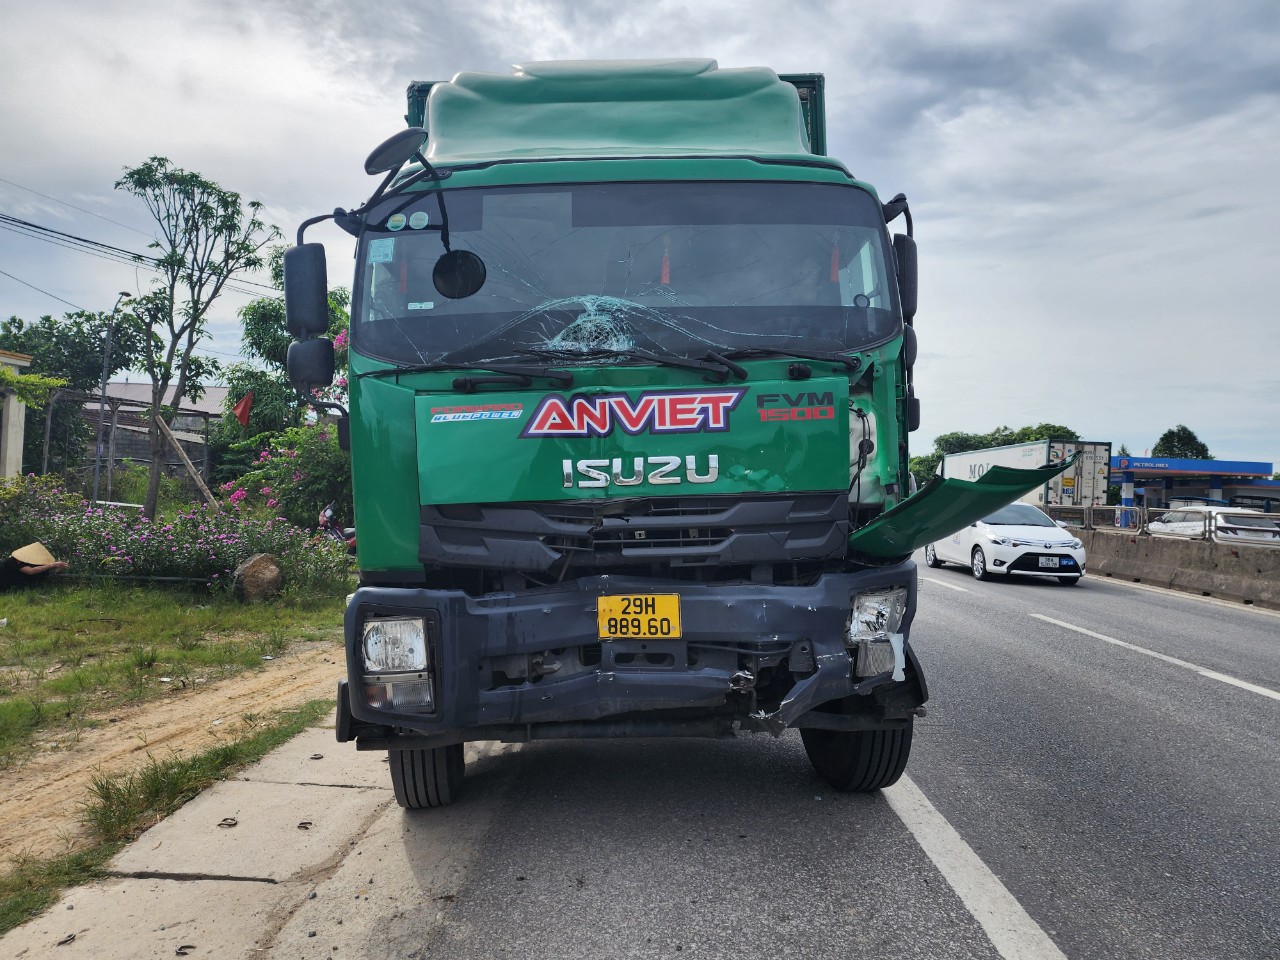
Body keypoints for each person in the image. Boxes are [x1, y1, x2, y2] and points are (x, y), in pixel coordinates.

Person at [0, 543, 69, 591]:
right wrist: (52, 565)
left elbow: (46, 572)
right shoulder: (15, 560)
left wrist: (59, 568)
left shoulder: (34, 562)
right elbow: (31, 571)